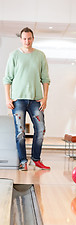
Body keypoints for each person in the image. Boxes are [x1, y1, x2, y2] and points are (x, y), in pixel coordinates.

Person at [3, 27, 50, 171]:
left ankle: (36, 159)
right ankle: (23, 161)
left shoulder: (40, 55)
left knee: (41, 129)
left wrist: (45, 98)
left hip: (36, 100)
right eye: (24, 38)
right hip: (18, 100)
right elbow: (7, 79)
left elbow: (45, 78)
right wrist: (8, 98)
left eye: (29, 38)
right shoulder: (14, 55)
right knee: (20, 132)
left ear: (33, 39)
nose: (27, 41)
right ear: (21, 39)